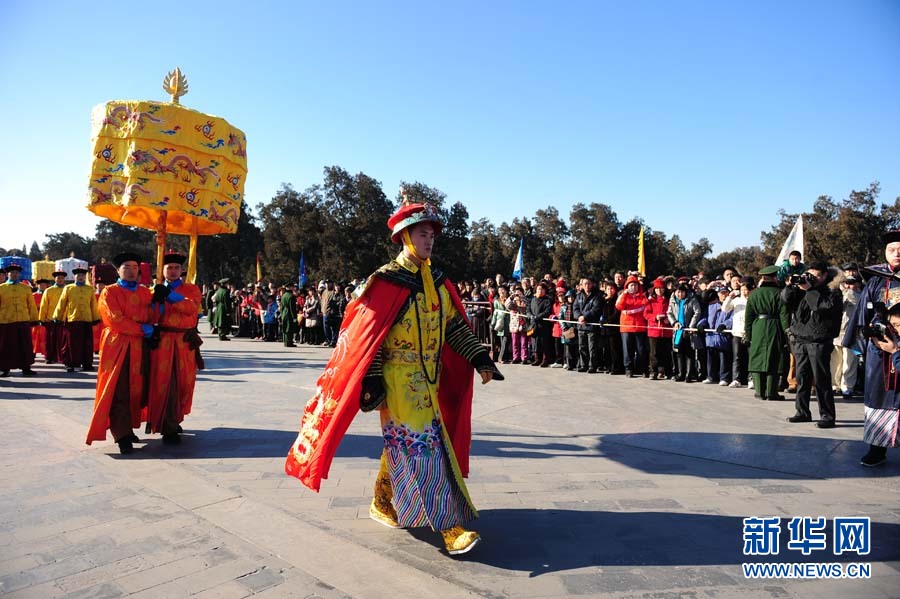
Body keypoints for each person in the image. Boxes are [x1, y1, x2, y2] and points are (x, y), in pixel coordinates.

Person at [285, 197, 503, 556]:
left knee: (407, 444)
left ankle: (383, 502)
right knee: (424, 448)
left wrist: (479, 357)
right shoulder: (386, 282)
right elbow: (366, 338)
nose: (429, 240)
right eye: (422, 233)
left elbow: (452, 327)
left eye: (432, 234)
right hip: (398, 381)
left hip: (430, 381)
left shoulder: (438, 280)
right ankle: (449, 526)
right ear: (404, 236)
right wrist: (371, 380)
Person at [85, 252, 155, 454]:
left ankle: (129, 427)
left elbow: (152, 314)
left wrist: (159, 301)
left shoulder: (144, 292)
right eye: (126, 266)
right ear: (118, 270)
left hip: (140, 346)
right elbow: (114, 319)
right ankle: (121, 434)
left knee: (137, 388)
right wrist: (143, 329)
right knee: (118, 389)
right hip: (118, 346)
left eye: (134, 267)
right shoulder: (109, 292)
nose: (131, 270)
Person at [843, 231, 900, 466]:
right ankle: (877, 448)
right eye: (892, 249)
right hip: (879, 351)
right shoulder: (876, 278)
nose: (897, 253)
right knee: (878, 396)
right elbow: (861, 316)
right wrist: (861, 343)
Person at [146, 253, 203, 444]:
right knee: (164, 382)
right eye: (169, 267)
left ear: (181, 271)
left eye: (176, 268)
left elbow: (191, 309)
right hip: (162, 341)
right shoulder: (152, 290)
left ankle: (175, 417)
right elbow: (148, 315)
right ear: (162, 271)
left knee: (183, 383)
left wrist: (169, 296)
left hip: (184, 342)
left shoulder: (191, 289)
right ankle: (167, 425)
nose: (172, 271)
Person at [781, 262, 841, 428]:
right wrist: (791, 286)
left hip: (819, 340)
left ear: (823, 276)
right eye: (808, 275)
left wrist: (809, 289)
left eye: (814, 276)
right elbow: (785, 300)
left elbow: (823, 307)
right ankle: (802, 412)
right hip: (801, 338)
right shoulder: (803, 288)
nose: (810, 279)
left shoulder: (832, 291)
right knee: (802, 378)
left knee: (821, 380)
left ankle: (827, 416)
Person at [744, 266, 790, 402]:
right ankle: (771, 393)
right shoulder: (780, 293)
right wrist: (786, 334)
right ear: (775, 277)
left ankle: (759, 392)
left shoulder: (754, 294)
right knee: (774, 359)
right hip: (774, 327)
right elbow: (784, 316)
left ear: (762, 278)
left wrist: (749, 334)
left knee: (757, 358)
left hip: (758, 326)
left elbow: (748, 317)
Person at [53, 267, 100, 373]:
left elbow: (93, 304)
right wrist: (57, 316)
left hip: (87, 319)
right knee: (72, 343)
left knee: (87, 343)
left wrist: (95, 317)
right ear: (74, 277)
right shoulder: (68, 288)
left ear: (85, 277)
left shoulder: (89, 289)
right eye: (78, 275)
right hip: (72, 319)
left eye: (83, 275)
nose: (80, 277)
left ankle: (87, 363)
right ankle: (71, 364)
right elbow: (62, 303)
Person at [0, 264, 39, 377]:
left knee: (25, 345)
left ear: (19, 274)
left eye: (16, 273)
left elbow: (31, 305)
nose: (14, 274)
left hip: (23, 320)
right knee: (6, 346)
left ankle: (26, 367)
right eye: (12, 273)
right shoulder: (1, 288)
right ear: (8, 274)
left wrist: (34, 318)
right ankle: (4, 368)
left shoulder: (26, 288)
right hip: (6, 320)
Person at [831, 276, 861, 398]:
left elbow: (856, 302)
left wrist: (847, 292)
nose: (848, 286)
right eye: (846, 283)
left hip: (852, 334)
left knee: (849, 362)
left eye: (851, 283)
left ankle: (847, 387)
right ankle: (835, 385)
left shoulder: (859, 296)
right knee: (836, 362)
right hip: (837, 333)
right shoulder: (838, 295)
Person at [722, 277, 754, 388]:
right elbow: (725, 309)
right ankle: (736, 379)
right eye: (743, 290)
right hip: (737, 333)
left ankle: (751, 379)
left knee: (751, 357)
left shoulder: (753, 300)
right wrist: (729, 298)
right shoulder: (736, 301)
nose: (744, 292)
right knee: (737, 357)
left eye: (746, 290)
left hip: (750, 333)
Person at [616, 275, 648, 377]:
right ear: (627, 286)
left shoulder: (642, 296)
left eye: (635, 285)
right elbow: (619, 306)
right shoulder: (623, 296)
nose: (633, 287)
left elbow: (646, 306)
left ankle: (642, 368)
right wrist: (624, 295)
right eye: (631, 285)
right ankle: (628, 369)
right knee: (627, 350)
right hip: (626, 327)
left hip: (640, 327)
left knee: (641, 350)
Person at [644, 278, 673, 380]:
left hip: (666, 330)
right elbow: (646, 314)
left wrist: (668, 319)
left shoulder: (669, 300)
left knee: (666, 352)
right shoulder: (650, 300)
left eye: (661, 288)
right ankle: (653, 371)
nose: (659, 291)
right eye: (657, 289)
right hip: (654, 330)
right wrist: (655, 317)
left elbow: (673, 312)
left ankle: (667, 371)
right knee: (654, 353)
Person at [573, 278, 603, 373]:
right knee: (582, 347)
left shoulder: (597, 296)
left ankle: (592, 366)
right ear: (581, 285)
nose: (587, 286)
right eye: (585, 284)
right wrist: (579, 317)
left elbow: (596, 309)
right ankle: (583, 365)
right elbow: (575, 308)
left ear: (592, 284)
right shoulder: (579, 296)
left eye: (589, 283)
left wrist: (585, 317)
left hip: (591, 326)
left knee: (592, 347)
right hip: (581, 326)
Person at [39, 270, 68, 364]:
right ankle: (49, 357)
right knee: (50, 340)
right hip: (50, 319)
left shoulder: (68, 290)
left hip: (64, 319)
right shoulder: (48, 290)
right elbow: (44, 306)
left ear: (64, 279)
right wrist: (42, 319)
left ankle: (63, 357)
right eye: (58, 278)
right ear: (54, 279)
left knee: (63, 340)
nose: (60, 280)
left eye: (62, 278)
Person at [527, 281, 555, 367]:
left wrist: (538, 317)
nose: (540, 291)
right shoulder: (533, 299)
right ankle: (537, 359)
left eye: (542, 289)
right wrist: (530, 315)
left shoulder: (547, 300)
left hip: (543, 325)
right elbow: (528, 309)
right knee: (535, 342)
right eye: (539, 289)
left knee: (544, 343)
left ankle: (545, 360)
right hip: (534, 325)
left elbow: (547, 311)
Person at [31, 278, 50, 360]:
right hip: (35, 319)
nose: (42, 286)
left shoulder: (49, 295)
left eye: (44, 285)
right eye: (40, 285)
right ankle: (32, 353)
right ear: (37, 285)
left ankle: (47, 354)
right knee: (33, 337)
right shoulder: (33, 295)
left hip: (46, 319)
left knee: (45, 337)